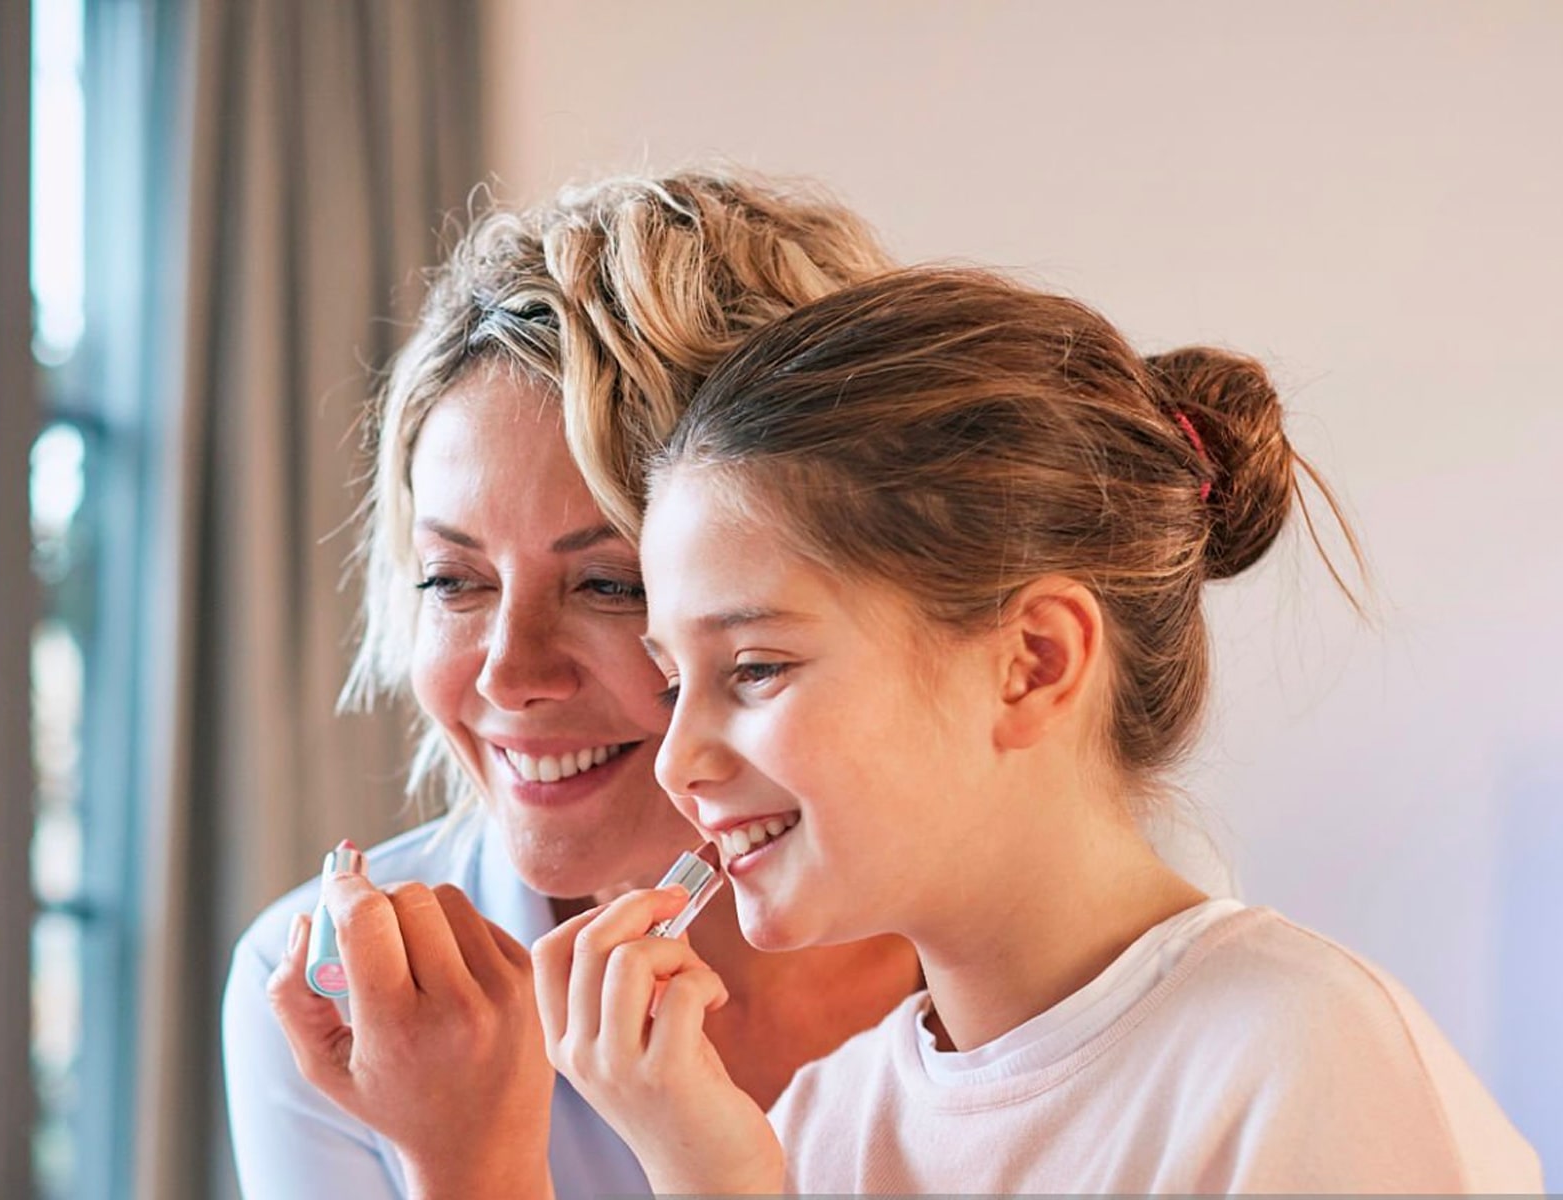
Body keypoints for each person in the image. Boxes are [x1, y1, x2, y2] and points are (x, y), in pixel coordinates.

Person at [533, 267, 1545, 1193]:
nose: (678, 761)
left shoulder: (1303, 1066)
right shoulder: (821, 1127)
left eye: (754, 669)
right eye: (674, 682)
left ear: (1034, 663)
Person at [221, 170, 924, 1200]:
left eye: (609, 584)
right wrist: (462, 1157)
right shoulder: (340, 1003)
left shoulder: (1041, 969)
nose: (509, 671)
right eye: (452, 580)